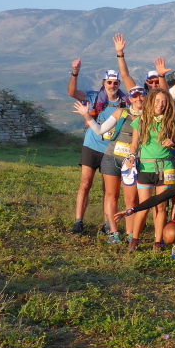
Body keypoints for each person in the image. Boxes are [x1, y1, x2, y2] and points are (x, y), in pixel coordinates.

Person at [72, 85, 144, 246]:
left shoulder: (150, 117)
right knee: (111, 195)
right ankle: (113, 232)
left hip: (132, 162)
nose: (139, 99)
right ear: (130, 99)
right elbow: (100, 130)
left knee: (131, 199)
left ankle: (130, 234)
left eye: (142, 96)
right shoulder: (121, 112)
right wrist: (87, 116)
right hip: (112, 157)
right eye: (135, 96)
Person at [66, 61, 130, 236]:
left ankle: (107, 223)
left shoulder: (125, 103)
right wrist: (75, 72)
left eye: (115, 83)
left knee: (108, 190)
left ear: (119, 84)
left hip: (111, 149)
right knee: (85, 182)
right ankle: (78, 221)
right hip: (92, 145)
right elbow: (72, 93)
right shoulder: (93, 97)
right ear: (104, 82)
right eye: (109, 82)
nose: (112, 85)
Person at [130, 88, 175, 252]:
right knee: (144, 206)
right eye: (157, 101)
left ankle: (158, 241)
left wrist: (172, 143)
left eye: (164, 101)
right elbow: (134, 144)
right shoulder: (141, 121)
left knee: (161, 206)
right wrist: (130, 157)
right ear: (151, 101)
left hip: (165, 168)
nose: (160, 104)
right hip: (145, 167)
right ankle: (134, 239)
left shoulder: (171, 122)